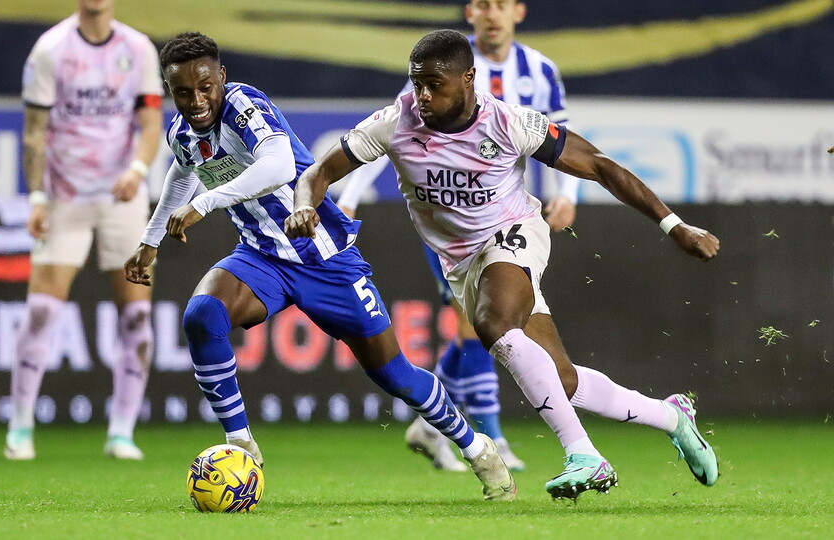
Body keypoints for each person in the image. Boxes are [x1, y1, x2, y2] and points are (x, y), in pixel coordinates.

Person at [285, 29, 720, 499]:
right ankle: (674, 417)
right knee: (563, 381)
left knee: (494, 323)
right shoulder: (395, 123)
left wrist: (675, 226)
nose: (423, 96)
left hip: (513, 234)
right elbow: (318, 172)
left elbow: (599, 165)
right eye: (417, 84)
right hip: (460, 262)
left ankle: (584, 454)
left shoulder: (509, 122)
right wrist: (304, 204)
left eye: (435, 84)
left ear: (469, 79)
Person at [123, 31, 516, 501]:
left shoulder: (244, 105)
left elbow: (278, 165)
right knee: (202, 316)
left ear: (222, 78)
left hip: (324, 256)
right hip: (262, 257)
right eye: (183, 93)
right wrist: (149, 242)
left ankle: (477, 449)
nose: (197, 100)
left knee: (394, 375)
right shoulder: (183, 133)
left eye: (205, 87)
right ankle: (240, 445)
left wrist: (205, 205)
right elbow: (182, 170)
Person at [336, 0, 577, 473]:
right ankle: (492, 435)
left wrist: (566, 193)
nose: (492, 15)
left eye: (501, 5)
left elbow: (560, 138)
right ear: (470, 13)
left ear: (518, 12)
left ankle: (430, 426)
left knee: (487, 326)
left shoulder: (539, 70)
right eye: (483, 5)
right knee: (480, 325)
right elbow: (390, 132)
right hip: (454, 221)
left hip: (508, 218)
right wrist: (351, 195)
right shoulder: (440, 64)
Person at [5, 0, 163, 461]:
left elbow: (151, 124)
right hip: (65, 197)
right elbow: (34, 131)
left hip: (122, 199)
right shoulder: (50, 49)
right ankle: (19, 428)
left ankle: (121, 432)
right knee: (40, 312)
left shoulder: (138, 49)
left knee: (136, 318)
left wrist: (137, 168)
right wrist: (35, 197)